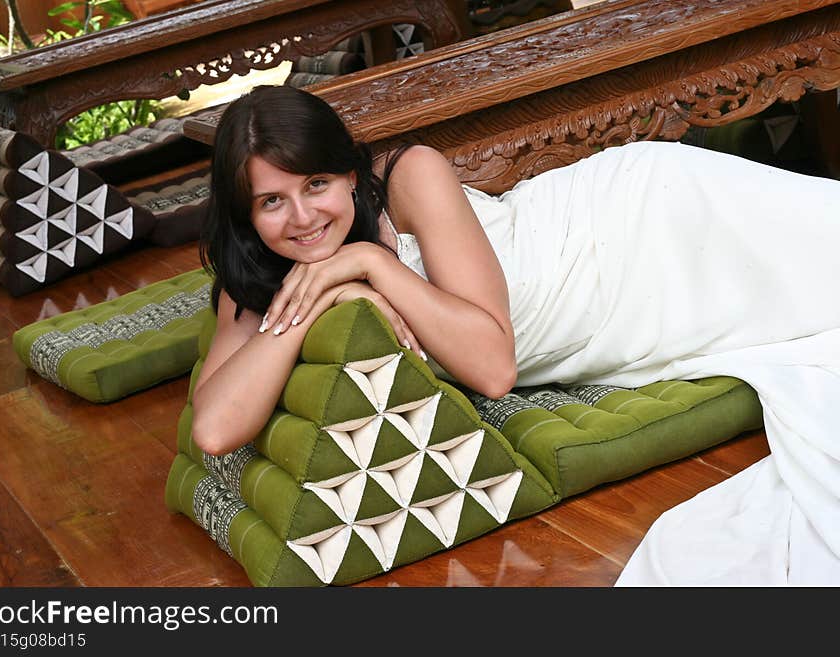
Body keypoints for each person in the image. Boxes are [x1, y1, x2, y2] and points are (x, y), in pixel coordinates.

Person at [193, 84, 840, 585]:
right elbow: (216, 428)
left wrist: (372, 266)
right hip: (615, 314)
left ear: (351, 177)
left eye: (317, 185)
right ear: (247, 215)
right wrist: (314, 291)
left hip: (637, 225)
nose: (304, 217)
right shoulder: (256, 279)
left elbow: (493, 364)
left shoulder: (408, 176)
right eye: (272, 201)